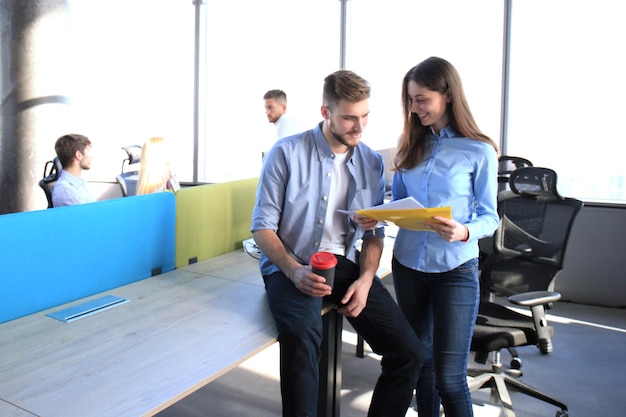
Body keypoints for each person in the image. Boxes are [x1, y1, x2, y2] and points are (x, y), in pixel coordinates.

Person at [252, 70, 423, 417]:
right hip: (292, 265)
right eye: (348, 117)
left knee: (410, 354)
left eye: (364, 117)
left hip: (343, 266)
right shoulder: (285, 153)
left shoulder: (371, 162)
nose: (358, 127)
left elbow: (374, 233)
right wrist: (294, 271)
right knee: (302, 336)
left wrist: (365, 278)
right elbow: (262, 228)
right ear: (325, 112)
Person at [390, 57, 499, 417]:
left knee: (450, 379)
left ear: (447, 95)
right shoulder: (408, 145)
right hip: (407, 266)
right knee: (421, 365)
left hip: (455, 269)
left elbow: (490, 216)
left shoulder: (478, 150)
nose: (414, 108)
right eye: (410, 100)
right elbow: (395, 201)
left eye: (421, 99)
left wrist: (465, 231)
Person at [51, 133, 95, 207]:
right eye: (88, 151)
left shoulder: (80, 183)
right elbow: (87, 216)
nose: (91, 156)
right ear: (78, 155)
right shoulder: (66, 190)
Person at [263, 89, 303, 157]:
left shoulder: (285, 121)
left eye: (270, 108)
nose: (267, 112)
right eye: (266, 108)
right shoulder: (289, 123)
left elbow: (277, 153)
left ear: (283, 107)